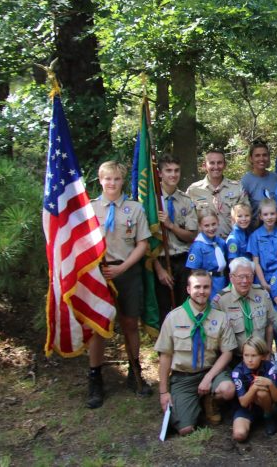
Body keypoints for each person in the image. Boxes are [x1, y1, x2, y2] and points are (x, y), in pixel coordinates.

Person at [87, 161, 153, 408]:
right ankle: (95, 378)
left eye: (116, 179)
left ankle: (135, 372)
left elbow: (142, 244)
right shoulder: (90, 209)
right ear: (100, 179)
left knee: (129, 323)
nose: (112, 183)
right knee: (99, 325)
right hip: (99, 273)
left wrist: (123, 268)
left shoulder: (134, 209)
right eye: (108, 179)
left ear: (122, 180)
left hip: (126, 271)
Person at [155, 270, 238, 434]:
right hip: (184, 376)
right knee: (185, 429)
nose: (202, 291)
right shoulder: (173, 318)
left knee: (228, 389)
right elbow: (165, 356)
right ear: (188, 289)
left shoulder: (220, 317)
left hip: (211, 371)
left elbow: (227, 352)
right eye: (197, 287)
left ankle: (211, 400)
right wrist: (163, 392)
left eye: (206, 287)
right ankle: (193, 403)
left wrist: (208, 377)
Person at [155, 153, 199, 319]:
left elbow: (191, 236)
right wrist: (159, 270)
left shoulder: (185, 201)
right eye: (168, 170)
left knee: (185, 309)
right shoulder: (152, 201)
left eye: (176, 170)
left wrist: (171, 226)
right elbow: (146, 241)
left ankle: (184, 345)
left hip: (183, 260)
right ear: (160, 173)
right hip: (159, 261)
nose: (173, 174)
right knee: (164, 312)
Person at [216, 258, 276, 353]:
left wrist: (268, 353)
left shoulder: (262, 294)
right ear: (231, 277)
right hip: (234, 358)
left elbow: (270, 326)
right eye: (241, 276)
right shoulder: (221, 301)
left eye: (249, 276)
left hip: (261, 355)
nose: (245, 281)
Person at [187, 148, 247, 238]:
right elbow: (188, 220)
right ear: (204, 165)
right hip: (205, 246)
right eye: (212, 163)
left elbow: (246, 216)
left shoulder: (237, 188)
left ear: (225, 165)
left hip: (232, 243)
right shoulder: (193, 190)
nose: (216, 167)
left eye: (219, 163)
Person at [230, 336, 277, 439]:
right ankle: (250, 420)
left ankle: (268, 417)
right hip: (245, 408)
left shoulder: (270, 367)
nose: (249, 360)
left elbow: (276, 398)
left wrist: (270, 384)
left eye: (254, 355)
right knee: (239, 435)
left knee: (262, 392)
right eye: (246, 355)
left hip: (265, 405)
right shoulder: (238, 371)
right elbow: (243, 402)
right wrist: (254, 388)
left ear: (262, 356)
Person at [185, 207, 229, 301]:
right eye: (206, 225)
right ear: (200, 226)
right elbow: (194, 271)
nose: (211, 228)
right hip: (208, 283)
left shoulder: (220, 242)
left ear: (218, 222)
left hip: (222, 281)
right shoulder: (198, 246)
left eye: (213, 224)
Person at [247, 198, 277, 290]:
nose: (269, 217)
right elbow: (256, 262)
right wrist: (263, 283)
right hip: (262, 279)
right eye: (265, 214)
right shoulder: (255, 236)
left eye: (272, 214)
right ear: (260, 216)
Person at [241, 141, 277, 227]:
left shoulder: (275, 177)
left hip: (275, 227)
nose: (261, 158)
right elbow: (243, 209)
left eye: (264, 155)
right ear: (251, 158)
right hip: (255, 229)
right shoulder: (246, 181)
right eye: (257, 155)